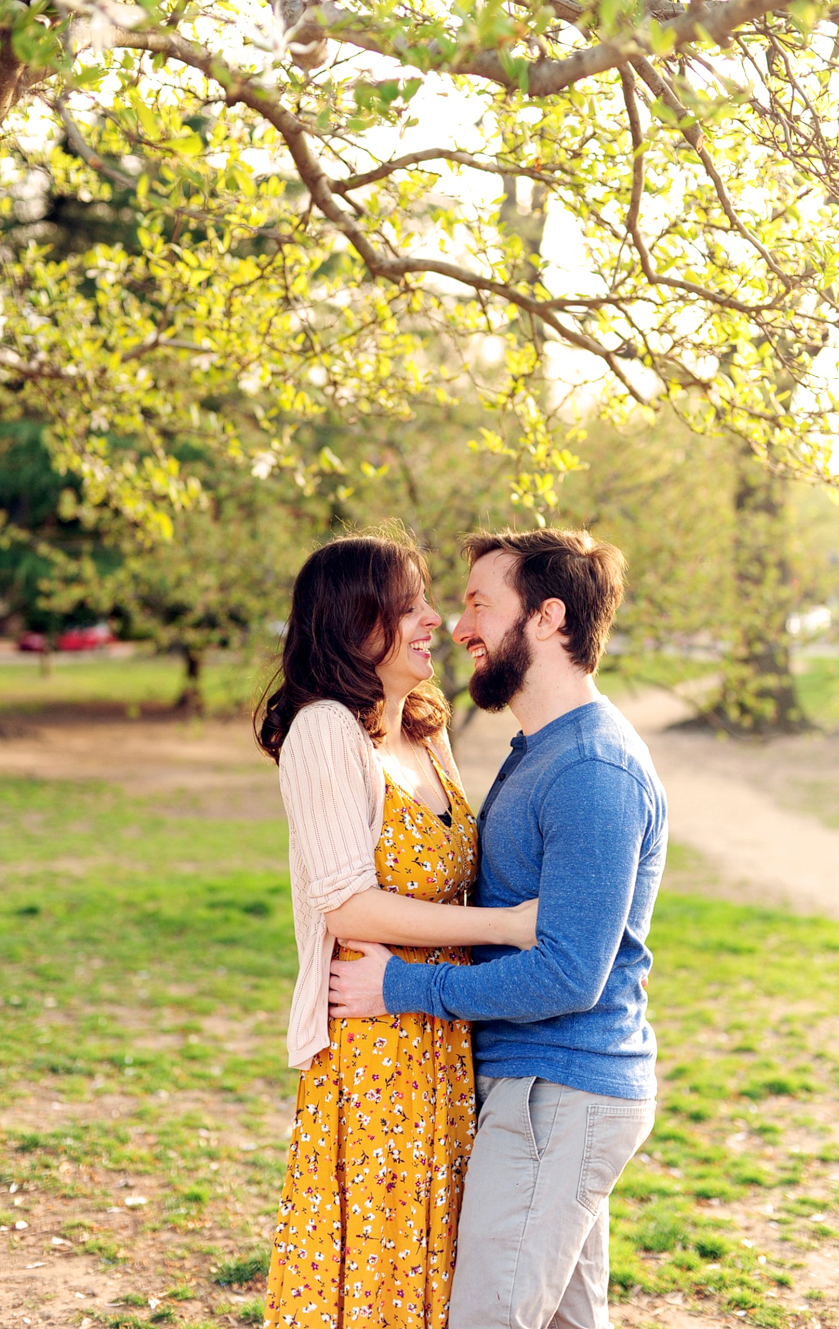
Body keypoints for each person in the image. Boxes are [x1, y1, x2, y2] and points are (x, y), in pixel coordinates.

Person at [330, 527, 668, 1329]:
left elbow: (567, 974)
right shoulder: (542, 748)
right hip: (542, 1087)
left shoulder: (592, 769)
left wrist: (402, 985)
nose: (459, 626)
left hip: (560, 1088)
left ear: (549, 618)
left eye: (481, 603)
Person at [254, 532, 537, 1329]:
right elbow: (345, 902)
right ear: (356, 621)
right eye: (410, 604)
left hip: (443, 1033)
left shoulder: (425, 724)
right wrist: (509, 926)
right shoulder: (323, 733)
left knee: (438, 1257)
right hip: (374, 1044)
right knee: (379, 1263)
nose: (436, 619)